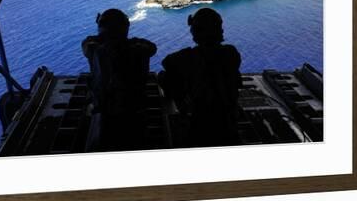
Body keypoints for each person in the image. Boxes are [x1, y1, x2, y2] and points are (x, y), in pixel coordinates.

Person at [159, 8, 241, 147]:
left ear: (195, 32)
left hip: (199, 125)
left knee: (163, 76)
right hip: (229, 122)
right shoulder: (231, 53)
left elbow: (166, 63)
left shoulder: (187, 57)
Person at [82, 8, 157, 151]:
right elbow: (152, 47)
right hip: (135, 113)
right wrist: (127, 40)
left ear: (102, 29)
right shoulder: (139, 49)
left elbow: (87, 42)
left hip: (104, 115)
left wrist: (103, 31)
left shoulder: (94, 49)